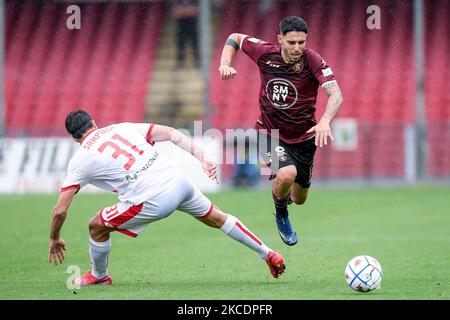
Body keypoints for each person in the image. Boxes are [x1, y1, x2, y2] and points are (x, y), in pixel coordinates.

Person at [48, 110, 285, 285]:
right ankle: (268, 253)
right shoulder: (122, 127)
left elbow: (60, 210)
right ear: (94, 123)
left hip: (151, 199)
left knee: (96, 227)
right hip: (178, 182)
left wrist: (54, 238)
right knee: (218, 217)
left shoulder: (80, 159)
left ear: (74, 138)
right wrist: (203, 157)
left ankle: (99, 276)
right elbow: (172, 134)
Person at [218, 16, 344, 246]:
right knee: (287, 173)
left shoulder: (313, 60)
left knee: (299, 198)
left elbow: (336, 93)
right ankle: (281, 214)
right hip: (269, 132)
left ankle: (286, 192)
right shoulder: (266, 53)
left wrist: (325, 120)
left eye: (301, 42)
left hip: (304, 138)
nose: (297, 48)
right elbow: (235, 37)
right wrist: (224, 63)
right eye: (291, 42)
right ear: (280, 40)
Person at [171, 0, 199, 69]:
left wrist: (182, 12)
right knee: (181, 46)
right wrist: (188, 11)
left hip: (192, 27)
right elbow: (175, 13)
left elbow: (195, 11)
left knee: (195, 45)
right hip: (181, 28)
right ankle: (180, 64)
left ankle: (197, 63)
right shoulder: (177, 2)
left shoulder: (194, 2)